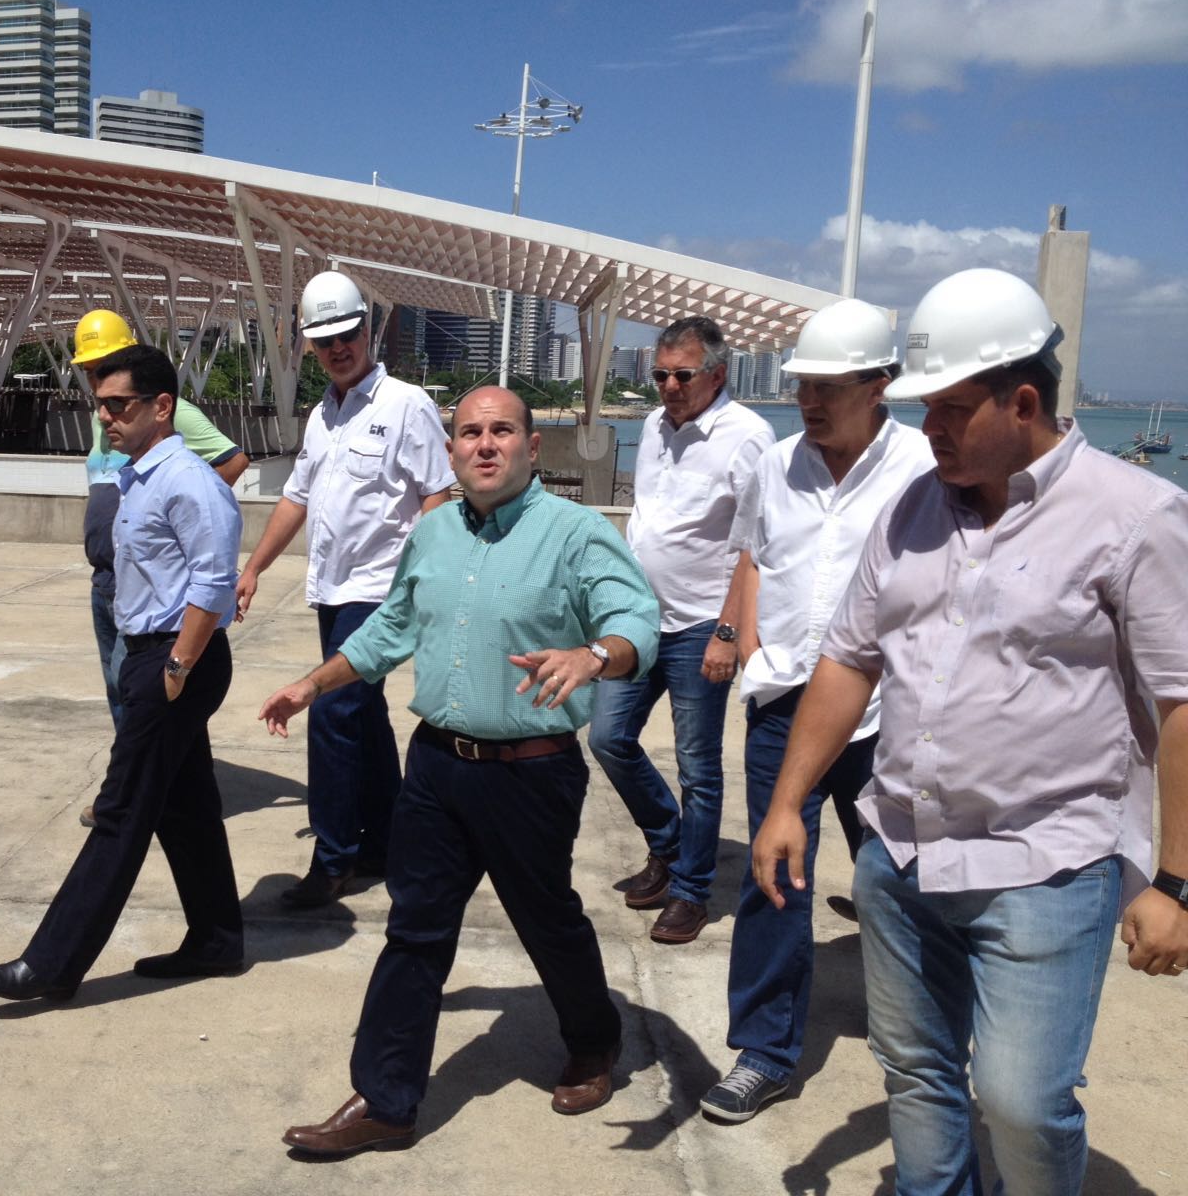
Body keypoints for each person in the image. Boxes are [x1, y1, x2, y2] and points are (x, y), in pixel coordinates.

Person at [753, 269, 1188, 1193]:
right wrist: (789, 802)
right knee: (914, 1073)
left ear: (1021, 401)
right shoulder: (912, 508)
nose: (929, 431)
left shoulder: (1136, 517)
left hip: (1046, 869)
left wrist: (1177, 883)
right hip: (900, 857)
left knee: (1024, 1101)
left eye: (949, 410)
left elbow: (1182, 707)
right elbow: (848, 661)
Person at [260, 387, 661, 1157]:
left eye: (501, 431)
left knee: (547, 919)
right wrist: (315, 683)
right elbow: (393, 625)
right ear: (450, 452)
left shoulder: (575, 533)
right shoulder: (435, 531)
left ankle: (593, 1039)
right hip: (437, 767)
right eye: (470, 433)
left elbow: (635, 618)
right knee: (414, 931)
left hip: (530, 774)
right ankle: (386, 1100)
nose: (485, 444)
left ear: (530, 447)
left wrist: (594, 655)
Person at [697, 299, 934, 1123]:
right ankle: (763, 1050)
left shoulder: (923, 470)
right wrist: (739, 637)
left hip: (889, 712)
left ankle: (923, 1029)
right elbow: (757, 556)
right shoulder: (777, 464)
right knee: (774, 878)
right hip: (784, 701)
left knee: (900, 878)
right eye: (804, 383)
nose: (811, 399)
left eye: (832, 385)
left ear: (883, 386)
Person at [0, 343, 246, 1000]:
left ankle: (50, 964)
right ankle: (217, 939)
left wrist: (177, 666)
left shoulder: (188, 480)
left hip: (178, 656)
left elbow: (213, 580)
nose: (106, 418)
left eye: (118, 405)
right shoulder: (140, 474)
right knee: (186, 806)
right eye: (99, 406)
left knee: (121, 810)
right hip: (155, 654)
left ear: (161, 406)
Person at [236, 271, 454, 907]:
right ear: (309, 345)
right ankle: (386, 841)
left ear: (370, 329)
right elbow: (296, 498)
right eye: (324, 338)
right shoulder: (322, 416)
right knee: (362, 721)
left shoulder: (406, 405)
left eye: (348, 333)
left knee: (332, 714)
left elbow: (436, 498)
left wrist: (426, 585)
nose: (339, 347)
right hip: (332, 591)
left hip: (379, 593)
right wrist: (254, 568)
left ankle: (334, 859)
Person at [589, 315, 774, 943]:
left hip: (701, 625)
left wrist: (729, 632)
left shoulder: (748, 437)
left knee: (698, 765)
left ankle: (692, 890)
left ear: (716, 374)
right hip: (639, 620)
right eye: (660, 373)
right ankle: (669, 844)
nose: (668, 385)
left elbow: (753, 545)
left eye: (682, 375)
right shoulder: (651, 424)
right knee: (608, 738)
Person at [72, 308, 247, 827]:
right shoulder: (107, 413)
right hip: (111, 578)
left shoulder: (158, 412)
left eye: (104, 362)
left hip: (154, 593)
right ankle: (150, 786)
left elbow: (231, 463)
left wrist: (184, 513)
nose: (96, 376)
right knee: (120, 687)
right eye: (89, 369)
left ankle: (126, 796)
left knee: (151, 697)